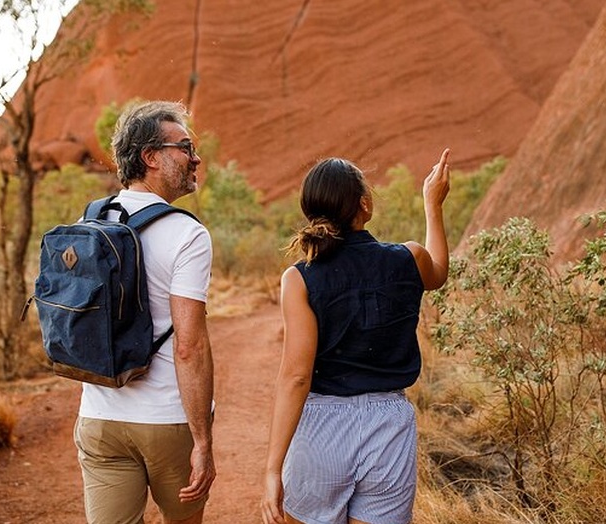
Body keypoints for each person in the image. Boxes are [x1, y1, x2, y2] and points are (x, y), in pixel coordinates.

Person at [261, 149, 452, 524]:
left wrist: (272, 468)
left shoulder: (299, 278)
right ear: (365, 205)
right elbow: (439, 272)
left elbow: (297, 376)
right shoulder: (409, 258)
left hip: (321, 428)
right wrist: (433, 204)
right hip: (389, 426)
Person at [73, 100, 216, 524]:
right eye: (185, 147)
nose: (196, 158)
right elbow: (189, 347)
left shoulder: (89, 220)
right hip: (166, 422)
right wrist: (203, 442)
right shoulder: (188, 233)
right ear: (151, 157)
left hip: (99, 418)